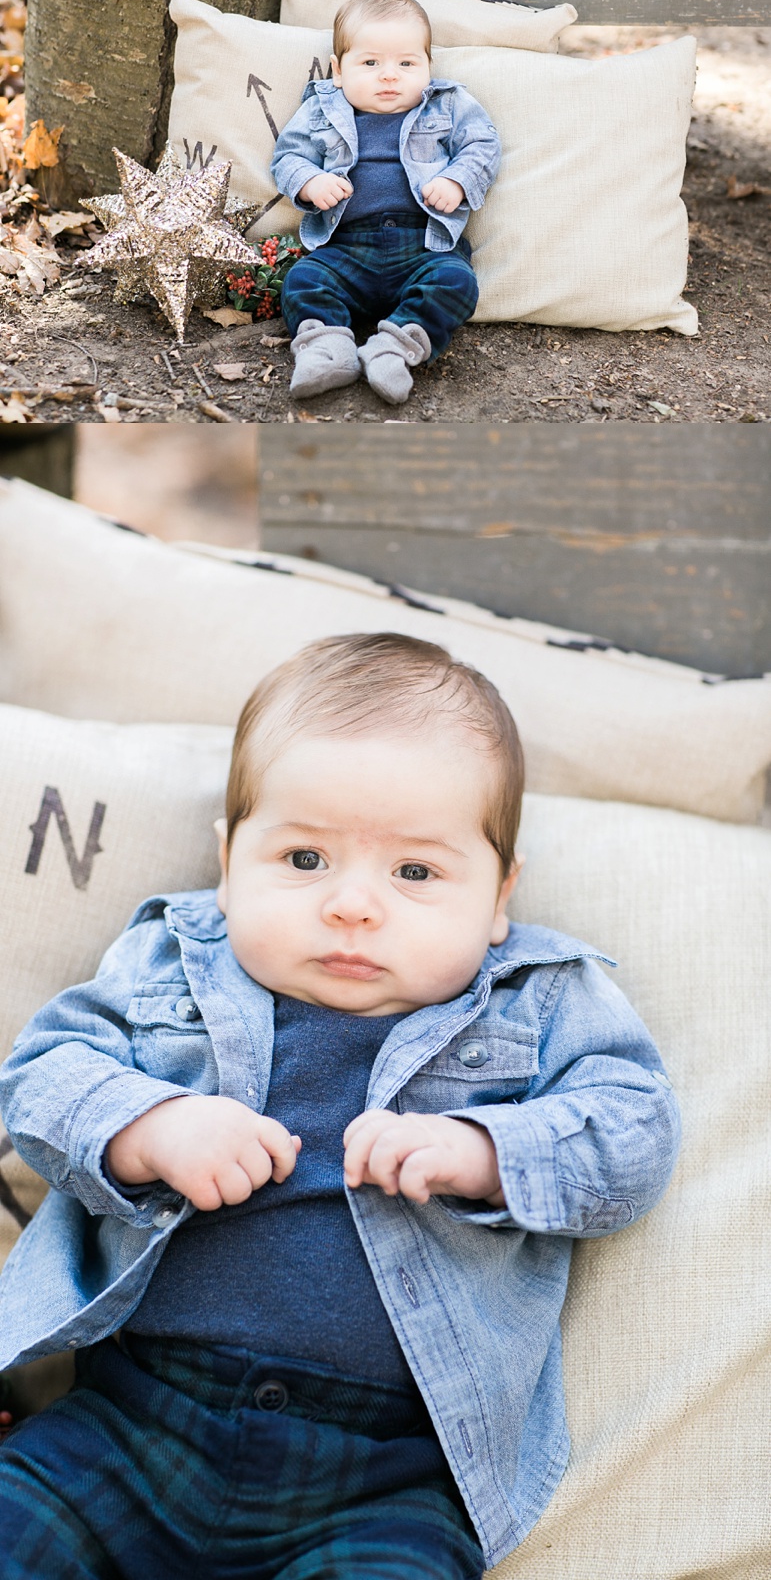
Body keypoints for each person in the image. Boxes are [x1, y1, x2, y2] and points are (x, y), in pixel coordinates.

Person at [0, 633, 680, 1580]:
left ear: (497, 897)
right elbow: (41, 1071)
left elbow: (635, 1128)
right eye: (306, 856)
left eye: (415, 872)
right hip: (128, 1425)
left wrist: (483, 1151)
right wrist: (147, 1128)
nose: (354, 905)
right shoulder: (171, 960)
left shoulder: (538, 997)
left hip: (386, 1475)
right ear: (229, 858)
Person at [272, 0, 501, 405]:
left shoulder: (447, 104)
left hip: (424, 246)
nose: (389, 75)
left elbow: (482, 145)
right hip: (345, 248)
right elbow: (288, 156)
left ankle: (393, 349)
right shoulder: (323, 108)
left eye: (407, 63)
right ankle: (327, 350)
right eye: (371, 62)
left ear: (429, 67)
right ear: (339, 71)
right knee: (303, 281)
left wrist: (456, 181)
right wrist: (310, 183)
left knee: (456, 282)